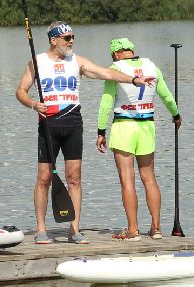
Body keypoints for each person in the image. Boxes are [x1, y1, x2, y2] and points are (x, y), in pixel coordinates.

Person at [16, 22, 155, 245]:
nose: (71, 41)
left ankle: (74, 229)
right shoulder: (37, 62)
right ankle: (41, 229)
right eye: (67, 38)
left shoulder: (77, 62)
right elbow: (20, 91)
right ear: (54, 40)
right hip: (48, 124)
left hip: (73, 123)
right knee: (44, 178)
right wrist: (33, 104)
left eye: (73, 37)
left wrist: (133, 80)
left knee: (75, 178)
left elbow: (105, 72)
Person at [96, 37, 181, 240]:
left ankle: (133, 230)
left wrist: (100, 131)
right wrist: (176, 115)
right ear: (131, 50)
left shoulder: (114, 68)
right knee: (149, 179)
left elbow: (106, 103)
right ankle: (156, 228)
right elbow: (167, 96)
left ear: (116, 53)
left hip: (124, 126)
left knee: (127, 180)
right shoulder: (152, 67)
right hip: (147, 126)